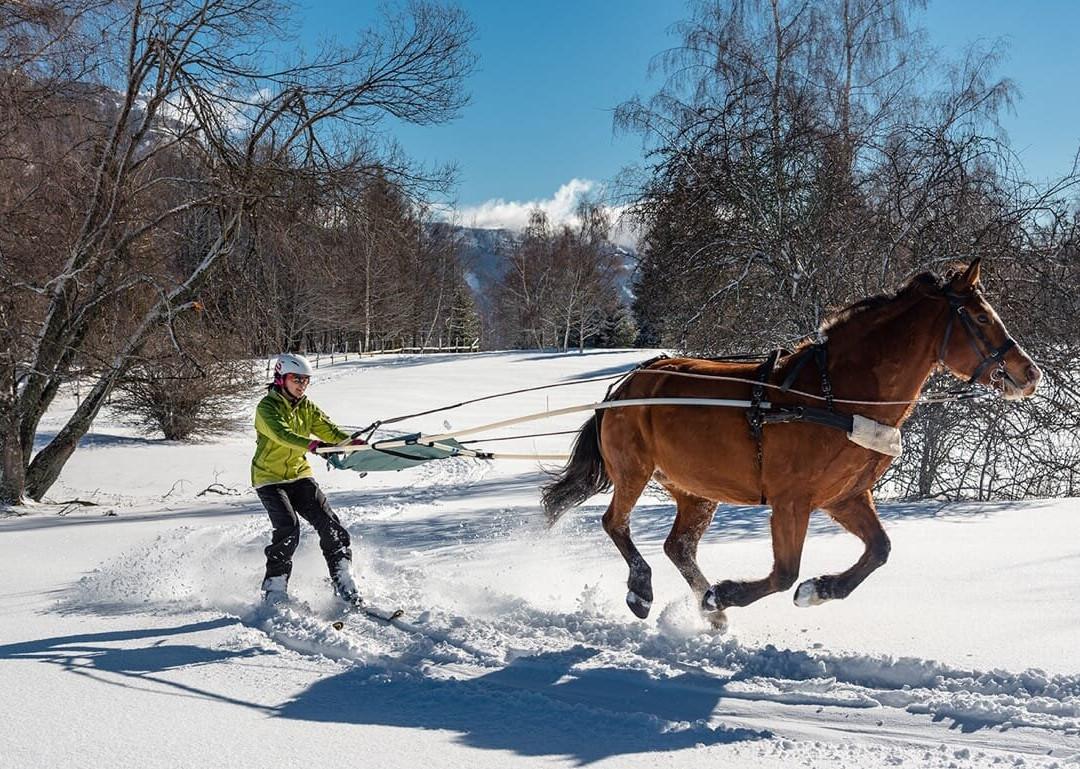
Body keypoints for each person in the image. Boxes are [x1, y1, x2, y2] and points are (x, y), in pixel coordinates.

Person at [251, 353, 363, 605]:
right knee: (288, 528)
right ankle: (275, 588)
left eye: (306, 380)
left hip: (299, 474)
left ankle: (343, 578)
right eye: (296, 379)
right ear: (281, 378)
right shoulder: (267, 407)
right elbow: (282, 434)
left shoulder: (306, 406)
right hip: (269, 478)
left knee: (329, 523)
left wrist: (352, 443)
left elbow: (329, 430)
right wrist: (313, 445)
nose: (302, 384)